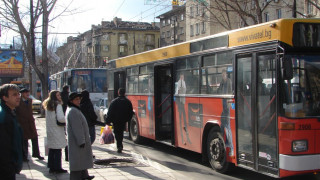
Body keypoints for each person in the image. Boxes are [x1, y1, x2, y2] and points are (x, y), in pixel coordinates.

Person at [66, 92, 94, 180]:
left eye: (79, 99)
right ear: (71, 101)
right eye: (76, 99)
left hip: (78, 142)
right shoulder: (73, 111)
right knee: (77, 163)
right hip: (78, 143)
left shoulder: (74, 109)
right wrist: (81, 141)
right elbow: (77, 128)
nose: (78, 101)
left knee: (81, 162)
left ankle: (84, 175)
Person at [0, 84, 23, 179]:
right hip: (5, 167)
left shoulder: (10, 112)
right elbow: (4, 147)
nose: (18, 97)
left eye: (18, 94)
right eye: (14, 95)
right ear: (5, 98)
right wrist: (11, 166)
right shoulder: (4, 116)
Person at [42, 90, 68, 174]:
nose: (60, 97)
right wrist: (66, 119)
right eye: (58, 95)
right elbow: (60, 118)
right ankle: (58, 167)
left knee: (52, 149)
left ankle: (51, 167)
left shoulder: (48, 105)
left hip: (50, 130)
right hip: (57, 129)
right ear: (54, 96)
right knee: (57, 150)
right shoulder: (58, 105)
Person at [16, 88, 44, 162]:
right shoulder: (18, 101)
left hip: (30, 122)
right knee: (24, 140)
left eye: (28, 92)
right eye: (25, 93)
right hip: (22, 123)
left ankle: (36, 153)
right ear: (22, 94)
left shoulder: (30, 100)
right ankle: (24, 156)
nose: (27, 94)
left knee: (35, 138)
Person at [105, 88, 133, 153]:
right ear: (124, 93)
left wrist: (108, 121)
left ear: (118, 93)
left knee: (117, 133)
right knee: (121, 132)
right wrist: (127, 119)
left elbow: (110, 112)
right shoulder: (128, 102)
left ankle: (119, 145)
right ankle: (120, 145)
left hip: (116, 121)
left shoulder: (114, 101)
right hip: (123, 120)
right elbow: (130, 112)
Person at [217, 69, 234, 156]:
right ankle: (225, 143)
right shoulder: (222, 82)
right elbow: (218, 91)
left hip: (227, 107)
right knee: (222, 125)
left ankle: (231, 148)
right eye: (222, 74)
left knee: (227, 127)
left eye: (224, 74)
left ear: (226, 75)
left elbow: (230, 93)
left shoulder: (229, 82)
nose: (223, 76)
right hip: (223, 107)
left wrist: (227, 106)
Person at [175, 73, 191, 144]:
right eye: (181, 76)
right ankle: (182, 136)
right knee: (181, 118)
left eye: (183, 76)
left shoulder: (183, 82)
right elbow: (177, 93)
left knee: (184, 118)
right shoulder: (179, 83)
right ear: (180, 77)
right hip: (180, 103)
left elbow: (184, 91)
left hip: (183, 102)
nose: (182, 77)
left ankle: (186, 135)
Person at [60, 85, 69, 161]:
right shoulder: (66, 95)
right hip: (64, 115)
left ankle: (67, 157)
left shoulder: (62, 94)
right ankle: (67, 156)